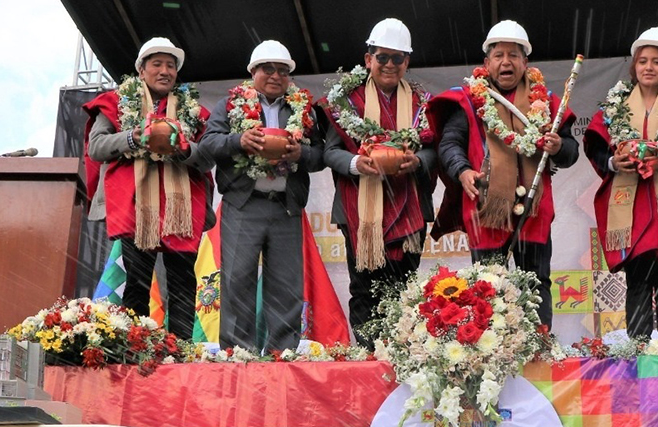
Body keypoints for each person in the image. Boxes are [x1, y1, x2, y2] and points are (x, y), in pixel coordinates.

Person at [430, 20, 579, 329]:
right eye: (498, 55)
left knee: (534, 287)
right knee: (487, 289)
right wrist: (462, 171)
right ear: (487, 63)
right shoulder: (468, 99)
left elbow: (571, 153)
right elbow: (449, 143)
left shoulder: (549, 102)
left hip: (533, 212)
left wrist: (559, 146)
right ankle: (491, 349)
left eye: (513, 55)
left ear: (525, 62)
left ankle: (538, 350)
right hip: (486, 208)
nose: (506, 62)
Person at [83, 37, 211, 340]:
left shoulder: (194, 111)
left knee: (182, 284)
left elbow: (206, 159)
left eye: (171, 65)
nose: (165, 71)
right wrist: (132, 137)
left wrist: (183, 149)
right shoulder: (115, 102)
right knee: (137, 284)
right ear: (141, 70)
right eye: (157, 64)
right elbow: (97, 147)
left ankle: (180, 352)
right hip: (134, 206)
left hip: (181, 209)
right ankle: (137, 348)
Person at [200, 40, 324, 352]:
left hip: (286, 208)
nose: (275, 75)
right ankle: (238, 352)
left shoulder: (302, 109)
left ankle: (282, 352)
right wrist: (238, 141)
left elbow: (321, 154)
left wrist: (301, 153)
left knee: (287, 284)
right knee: (236, 280)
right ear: (253, 72)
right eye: (268, 69)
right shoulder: (230, 105)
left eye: (283, 71)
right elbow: (207, 145)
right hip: (243, 204)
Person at [320, 18, 436, 345]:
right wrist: (357, 163)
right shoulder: (346, 101)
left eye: (397, 58)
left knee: (404, 287)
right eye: (382, 57)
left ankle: (401, 352)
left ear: (406, 62)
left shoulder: (420, 104)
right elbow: (330, 152)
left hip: (409, 206)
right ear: (368, 59)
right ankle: (370, 357)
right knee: (364, 288)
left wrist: (417, 162)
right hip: (359, 210)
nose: (389, 65)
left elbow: (432, 151)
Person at [583, 28, 658, 341]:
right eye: (643, 61)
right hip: (631, 204)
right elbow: (596, 148)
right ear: (634, 67)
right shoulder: (616, 109)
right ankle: (636, 347)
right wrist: (613, 163)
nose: (649, 67)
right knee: (637, 277)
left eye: (657, 62)